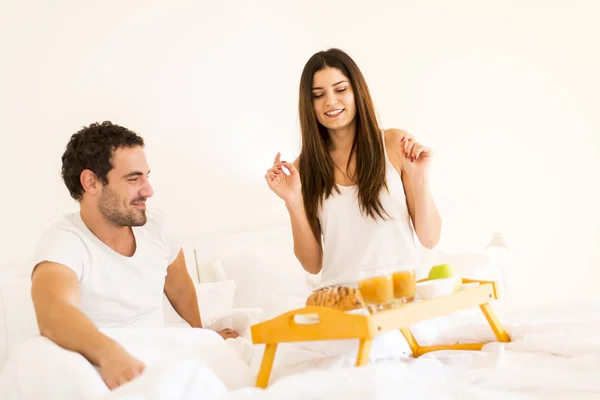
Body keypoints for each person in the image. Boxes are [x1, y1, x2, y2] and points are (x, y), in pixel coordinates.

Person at [30, 121, 238, 390]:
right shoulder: (64, 241)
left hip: (157, 357)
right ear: (91, 182)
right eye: (133, 179)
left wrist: (201, 335)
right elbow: (53, 311)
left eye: (147, 176)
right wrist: (109, 355)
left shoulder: (157, 227)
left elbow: (180, 287)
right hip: (101, 367)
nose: (148, 190)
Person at [265, 48, 442, 310]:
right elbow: (312, 264)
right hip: (339, 301)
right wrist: (293, 200)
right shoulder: (305, 166)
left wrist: (420, 179)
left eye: (340, 89)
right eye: (318, 95)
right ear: (308, 103)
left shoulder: (394, 144)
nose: (331, 101)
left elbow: (430, 238)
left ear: (356, 91)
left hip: (399, 297)